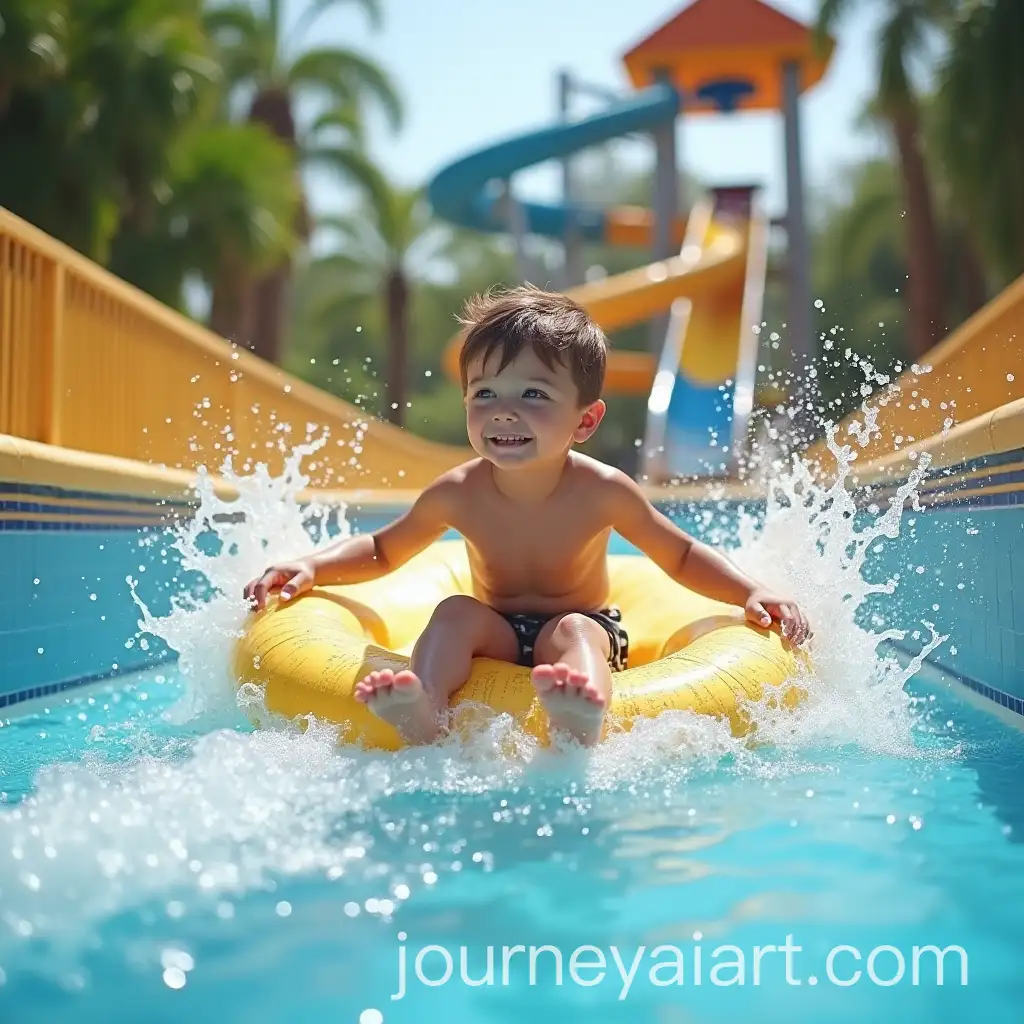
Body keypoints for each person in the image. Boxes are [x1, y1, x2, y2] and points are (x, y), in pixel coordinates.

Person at [243, 285, 811, 748]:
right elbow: (382, 550)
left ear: (584, 422)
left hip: (583, 624)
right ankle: (425, 704)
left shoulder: (602, 491)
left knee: (574, 631)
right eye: (484, 394)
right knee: (453, 613)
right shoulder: (459, 492)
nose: (503, 411)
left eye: (533, 395)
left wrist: (750, 592)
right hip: (495, 629)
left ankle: (580, 711)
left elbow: (681, 555)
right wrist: (311, 566)